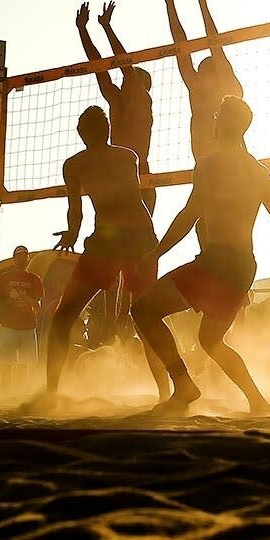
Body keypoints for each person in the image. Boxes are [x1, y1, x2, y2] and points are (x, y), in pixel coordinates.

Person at [132, 95, 270, 415]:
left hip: (218, 262)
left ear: (225, 123)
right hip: (243, 266)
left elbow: (190, 213)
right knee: (210, 340)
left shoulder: (211, 163)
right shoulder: (258, 170)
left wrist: (155, 252)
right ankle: (258, 402)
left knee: (143, 311)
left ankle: (184, 385)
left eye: (218, 114)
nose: (214, 120)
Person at [40, 106, 160, 405]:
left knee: (63, 318)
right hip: (138, 238)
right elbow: (136, 197)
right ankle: (167, 391)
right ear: (107, 130)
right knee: (147, 318)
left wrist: (71, 234)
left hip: (111, 241)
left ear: (81, 134)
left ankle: (51, 392)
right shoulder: (127, 155)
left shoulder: (75, 164)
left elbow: (76, 210)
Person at [75, 1, 156, 214]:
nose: (123, 81)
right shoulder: (116, 100)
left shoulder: (141, 99)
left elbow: (124, 63)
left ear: (141, 86)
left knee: (140, 237)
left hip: (138, 172)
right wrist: (82, 30)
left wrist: (106, 27)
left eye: (130, 79)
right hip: (118, 174)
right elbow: (99, 68)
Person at [164, 0, 243, 165]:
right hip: (207, 164)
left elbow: (215, 47)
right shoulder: (199, 90)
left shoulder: (229, 91)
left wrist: (201, 3)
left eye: (203, 72)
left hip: (228, 164)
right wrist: (170, 4)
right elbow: (181, 48)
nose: (199, 76)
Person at [0, 245, 44, 385]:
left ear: (28, 259)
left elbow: (38, 304)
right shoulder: (5, 277)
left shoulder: (34, 279)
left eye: (25, 257)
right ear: (14, 259)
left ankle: (19, 394)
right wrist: (9, 301)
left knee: (24, 364)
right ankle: (4, 394)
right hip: (8, 326)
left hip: (28, 326)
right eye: (19, 256)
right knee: (6, 364)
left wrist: (28, 300)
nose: (22, 259)